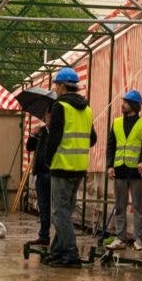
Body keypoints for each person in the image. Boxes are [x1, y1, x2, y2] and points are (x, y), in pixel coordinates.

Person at [41, 67, 97, 268]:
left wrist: (47, 159)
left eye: (56, 84)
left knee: (59, 213)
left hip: (62, 165)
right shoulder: (87, 109)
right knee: (65, 211)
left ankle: (71, 253)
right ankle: (58, 251)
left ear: (63, 86)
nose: (55, 88)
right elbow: (93, 139)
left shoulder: (60, 107)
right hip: (79, 167)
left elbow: (54, 138)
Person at [105, 89, 142, 250]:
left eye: (126, 102)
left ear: (134, 105)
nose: (123, 105)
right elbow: (111, 145)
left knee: (138, 206)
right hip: (119, 169)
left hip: (137, 171)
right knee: (120, 206)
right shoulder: (117, 123)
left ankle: (138, 239)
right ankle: (120, 238)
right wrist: (109, 165)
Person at [24, 114, 52, 246]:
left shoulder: (58, 131)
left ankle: (59, 237)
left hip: (54, 173)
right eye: (46, 116)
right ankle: (44, 235)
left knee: (56, 207)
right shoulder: (41, 131)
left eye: (50, 116)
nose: (47, 119)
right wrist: (32, 135)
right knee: (43, 206)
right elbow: (29, 147)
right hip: (41, 173)